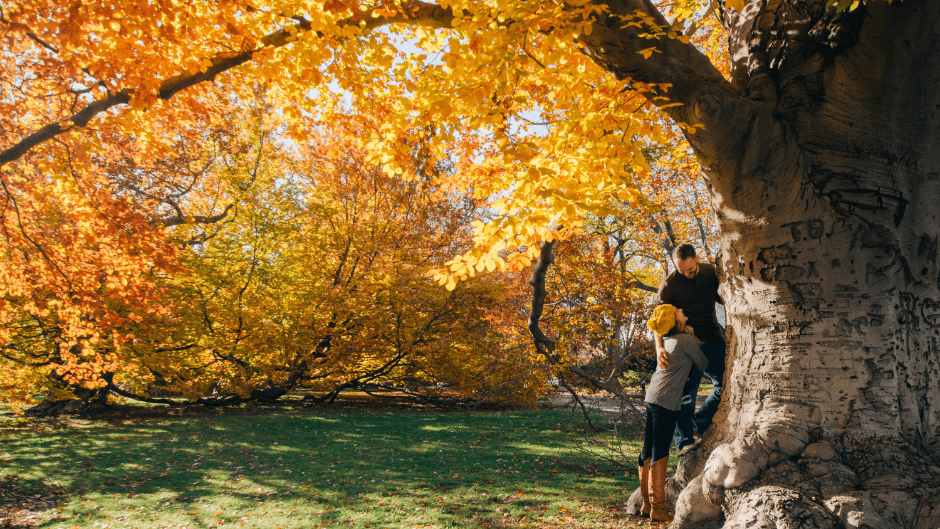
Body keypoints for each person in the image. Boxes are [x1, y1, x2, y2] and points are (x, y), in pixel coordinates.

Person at [640, 304, 709, 522]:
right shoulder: (685, 341)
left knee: (647, 448)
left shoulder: (667, 341)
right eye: (678, 311)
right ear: (674, 319)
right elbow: (703, 363)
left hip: (652, 395)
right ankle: (658, 508)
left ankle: (646, 503)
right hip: (666, 400)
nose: (682, 310)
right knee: (660, 449)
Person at [656, 243, 725, 454]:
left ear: (696, 259)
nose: (686, 274)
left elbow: (728, 300)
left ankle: (701, 422)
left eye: (690, 269)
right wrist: (659, 349)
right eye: (681, 270)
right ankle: (684, 441)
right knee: (684, 395)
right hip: (685, 343)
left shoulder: (711, 273)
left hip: (712, 338)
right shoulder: (669, 284)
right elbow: (658, 321)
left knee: (724, 387)